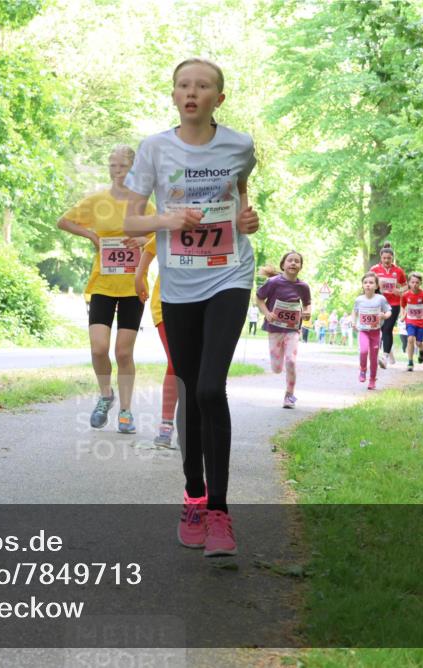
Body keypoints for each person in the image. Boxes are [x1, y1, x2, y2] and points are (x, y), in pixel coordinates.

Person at [124, 57, 259, 558]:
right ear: (174, 95)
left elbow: (241, 193)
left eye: (202, 86)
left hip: (229, 274)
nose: (192, 92)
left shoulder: (240, 145)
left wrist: (246, 218)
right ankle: (194, 495)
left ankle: (220, 512)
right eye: (184, 85)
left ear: (218, 99)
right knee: (187, 390)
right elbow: (130, 222)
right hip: (179, 286)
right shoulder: (155, 149)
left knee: (208, 387)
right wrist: (169, 219)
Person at [58, 146, 153, 434]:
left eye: (123, 166)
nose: (117, 171)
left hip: (132, 285)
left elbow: (160, 232)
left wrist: (142, 241)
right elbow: (64, 221)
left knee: (123, 352)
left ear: (133, 169)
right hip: (102, 283)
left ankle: (126, 411)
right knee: (99, 348)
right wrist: (91, 235)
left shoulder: (143, 204)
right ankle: (105, 396)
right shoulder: (97, 201)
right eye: (113, 165)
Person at [134, 238, 178, 448]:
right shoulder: (173, 224)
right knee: (176, 362)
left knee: (199, 367)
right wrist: (139, 275)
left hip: (204, 302)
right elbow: (151, 247)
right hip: (166, 303)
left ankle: (193, 423)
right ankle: (166, 423)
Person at [256, 251, 311, 408]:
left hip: (293, 329)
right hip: (275, 328)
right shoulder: (273, 282)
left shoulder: (303, 286)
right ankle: (279, 369)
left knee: (291, 361)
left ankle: (289, 395)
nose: (293, 263)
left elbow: (307, 303)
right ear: (283, 264)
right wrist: (267, 313)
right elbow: (259, 299)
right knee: (277, 368)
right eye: (290, 260)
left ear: (300, 266)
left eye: (297, 261)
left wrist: (307, 312)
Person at [369, 242, 407, 367]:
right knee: (380, 329)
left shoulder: (398, 271)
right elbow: (368, 282)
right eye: (384, 258)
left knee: (387, 328)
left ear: (392, 258)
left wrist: (400, 291)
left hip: (393, 304)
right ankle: (390, 352)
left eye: (389, 258)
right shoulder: (374, 269)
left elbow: (406, 286)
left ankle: (384, 357)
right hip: (379, 304)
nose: (386, 260)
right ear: (381, 257)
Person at [353, 272, 391, 390]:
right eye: (365, 282)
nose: (368, 285)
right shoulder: (359, 299)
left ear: (376, 286)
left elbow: (389, 311)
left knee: (374, 357)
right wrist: (353, 322)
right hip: (363, 331)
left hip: (375, 332)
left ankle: (372, 379)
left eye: (371, 282)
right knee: (363, 351)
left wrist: (384, 316)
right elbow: (355, 311)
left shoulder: (380, 299)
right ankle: (363, 369)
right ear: (362, 285)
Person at [399, 271, 423, 372]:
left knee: (419, 343)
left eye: (417, 282)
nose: (414, 284)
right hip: (410, 321)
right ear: (409, 283)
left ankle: (422, 350)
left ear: (420, 283)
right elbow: (403, 306)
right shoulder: (405, 295)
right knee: (410, 339)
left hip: (422, 322)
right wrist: (403, 315)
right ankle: (410, 362)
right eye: (412, 282)